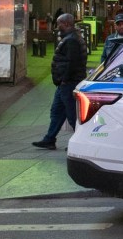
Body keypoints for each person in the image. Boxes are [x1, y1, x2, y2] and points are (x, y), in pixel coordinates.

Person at [33, 13, 87, 150]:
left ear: (67, 24)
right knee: (57, 111)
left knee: (71, 113)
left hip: (68, 83)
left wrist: (64, 80)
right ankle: (49, 139)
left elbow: (72, 63)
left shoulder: (71, 40)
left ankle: (82, 142)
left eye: (60, 24)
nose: (58, 27)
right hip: (64, 83)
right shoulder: (71, 38)